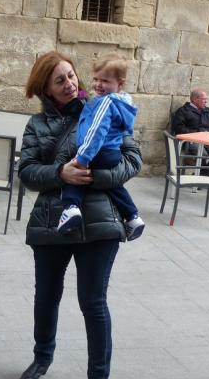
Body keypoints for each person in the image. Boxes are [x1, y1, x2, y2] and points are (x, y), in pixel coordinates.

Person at [18, 51, 143, 379]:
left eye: (71, 75)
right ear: (45, 87)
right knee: (46, 296)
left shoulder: (106, 107)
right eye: (60, 80)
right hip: (52, 220)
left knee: (93, 302)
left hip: (100, 220)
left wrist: (93, 177)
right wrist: (61, 173)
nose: (70, 84)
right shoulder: (37, 125)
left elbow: (133, 159)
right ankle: (42, 358)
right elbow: (26, 172)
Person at [57, 54, 144, 240]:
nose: (98, 84)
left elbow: (96, 132)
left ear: (120, 84)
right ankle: (132, 216)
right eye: (96, 79)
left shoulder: (106, 102)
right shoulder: (122, 102)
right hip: (112, 152)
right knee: (114, 185)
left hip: (98, 151)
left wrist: (82, 157)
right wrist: (82, 96)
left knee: (74, 173)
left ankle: (71, 208)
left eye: (105, 81)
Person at [171, 89, 209, 171]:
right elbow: (178, 127)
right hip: (191, 141)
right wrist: (196, 134)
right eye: (204, 99)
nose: (206, 101)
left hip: (208, 141)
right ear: (194, 99)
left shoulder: (208, 111)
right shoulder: (183, 111)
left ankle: (203, 175)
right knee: (203, 155)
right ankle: (203, 175)